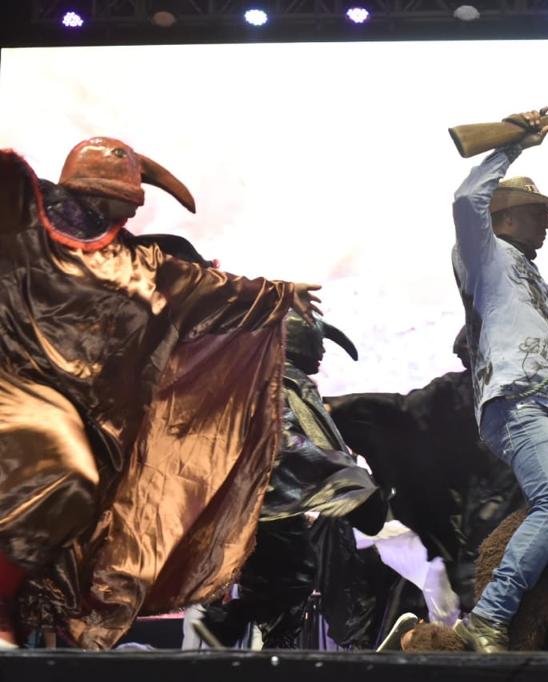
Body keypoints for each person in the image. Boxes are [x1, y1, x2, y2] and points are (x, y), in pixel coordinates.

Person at [0, 138, 319, 649]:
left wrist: (278, 293)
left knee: (81, 538)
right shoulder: (29, 232)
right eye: (128, 202)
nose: (132, 212)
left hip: (100, 428)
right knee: (62, 479)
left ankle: (46, 643)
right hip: (24, 403)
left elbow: (208, 289)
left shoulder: (140, 263)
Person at [449, 110, 548, 653]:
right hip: (518, 405)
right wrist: (512, 147)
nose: (545, 223)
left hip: (536, 404)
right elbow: (465, 201)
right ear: (502, 217)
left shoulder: (524, 269)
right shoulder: (484, 254)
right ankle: (489, 617)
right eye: (534, 214)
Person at [195, 311, 387, 649]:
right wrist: (347, 484)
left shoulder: (263, 379)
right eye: (318, 342)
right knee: (294, 576)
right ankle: (244, 634)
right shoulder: (287, 383)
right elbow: (299, 444)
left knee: (279, 580)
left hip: (253, 501)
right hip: (271, 501)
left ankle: (229, 623)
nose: (323, 352)